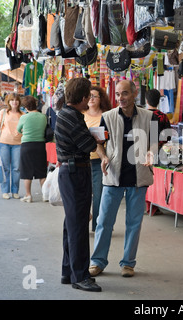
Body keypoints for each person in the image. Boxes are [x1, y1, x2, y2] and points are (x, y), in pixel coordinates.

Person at [89, 79, 156, 278]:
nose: (120, 98)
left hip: (139, 178)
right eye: (117, 94)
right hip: (113, 176)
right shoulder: (107, 117)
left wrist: (152, 153)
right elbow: (99, 143)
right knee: (104, 222)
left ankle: (128, 263)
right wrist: (103, 157)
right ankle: (97, 261)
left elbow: (153, 142)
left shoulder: (149, 116)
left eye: (124, 93)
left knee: (134, 223)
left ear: (135, 94)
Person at [55, 77, 102, 292]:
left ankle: (69, 271)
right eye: (89, 98)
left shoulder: (66, 113)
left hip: (71, 171)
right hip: (75, 172)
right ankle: (80, 276)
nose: (89, 102)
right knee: (78, 227)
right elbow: (88, 144)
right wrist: (97, 139)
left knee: (72, 225)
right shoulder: (72, 116)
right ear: (82, 97)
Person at [84, 85, 112, 232]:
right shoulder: (81, 114)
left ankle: (97, 225)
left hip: (100, 160)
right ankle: (84, 221)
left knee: (99, 194)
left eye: (94, 96)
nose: (91, 99)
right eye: (89, 96)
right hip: (83, 159)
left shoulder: (107, 115)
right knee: (83, 193)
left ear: (101, 99)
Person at [0, 93, 24, 200]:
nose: (14, 102)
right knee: (5, 168)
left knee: (16, 168)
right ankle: (5, 191)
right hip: (4, 142)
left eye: (16, 100)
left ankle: (15, 191)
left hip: (18, 144)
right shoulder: (4, 112)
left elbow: (25, 129)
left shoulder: (22, 114)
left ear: (19, 102)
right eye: (12, 100)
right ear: (9, 102)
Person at [16, 96, 47, 203]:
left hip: (27, 145)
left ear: (25, 107)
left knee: (27, 171)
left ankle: (28, 195)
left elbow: (18, 129)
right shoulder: (43, 117)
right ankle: (45, 195)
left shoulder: (24, 117)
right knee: (42, 171)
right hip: (40, 145)